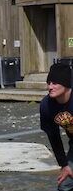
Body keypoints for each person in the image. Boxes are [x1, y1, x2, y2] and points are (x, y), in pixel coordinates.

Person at [40, 63, 73, 191]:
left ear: (65, 84)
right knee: (65, 185)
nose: (50, 87)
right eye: (49, 83)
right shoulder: (47, 106)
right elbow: (53, 137)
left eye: (54, 83)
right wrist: (64, 165)